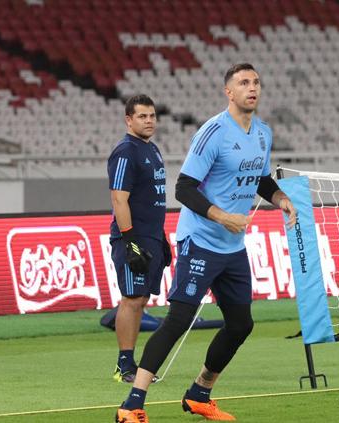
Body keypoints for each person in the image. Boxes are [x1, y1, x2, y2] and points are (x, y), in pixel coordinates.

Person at [115, 63, 297, 423]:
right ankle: (133, 402)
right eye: (243, 82)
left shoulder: (262, 133)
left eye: (256, 82)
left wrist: (281, 199)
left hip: (232, 247)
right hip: (200, 240)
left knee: (241, 324)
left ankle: (200, 392)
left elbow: (260, 179)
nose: (252, 87)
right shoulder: (212, 132)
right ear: (228, 92)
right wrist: (222, 216)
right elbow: (184, 188)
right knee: (178, 319)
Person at [107, 94, 171, 384]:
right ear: (128, 120)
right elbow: (119, 199)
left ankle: (132, 362)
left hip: (152, 236)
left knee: (141, 298)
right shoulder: (125, 151)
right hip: (132, 237)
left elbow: (153, 199)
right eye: (142, 116)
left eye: (152, 116)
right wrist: (129, 241)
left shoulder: (152, 149)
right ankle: (124, 365)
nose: (149, 121)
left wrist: (163, 239)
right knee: (131, 299)